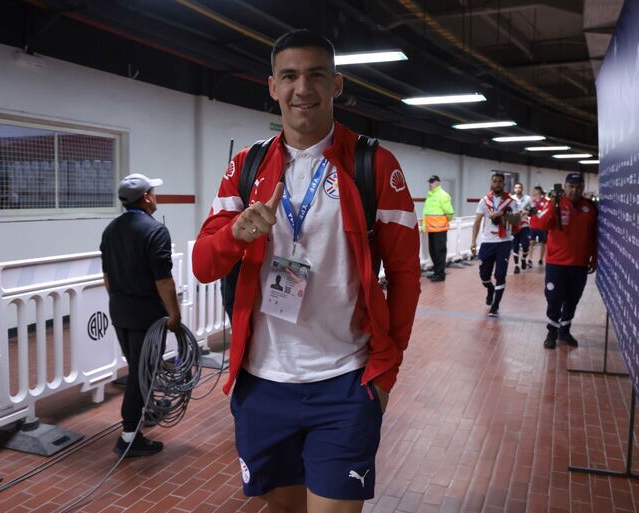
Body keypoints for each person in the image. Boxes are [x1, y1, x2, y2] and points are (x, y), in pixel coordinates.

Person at [192, 30, 421, 513]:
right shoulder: (246, 167)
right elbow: (203, 265)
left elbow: (404, 276)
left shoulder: (373, 165)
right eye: (290, 76)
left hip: (345, 380)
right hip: (262, 383)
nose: (303, 88)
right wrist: (237, 233)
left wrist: (385, 373)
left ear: (336, 84)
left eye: (316, 75)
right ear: (272, 86)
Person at [100, 173, 182, 457]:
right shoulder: (155, 231)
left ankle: (143, 414)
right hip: (146, 315)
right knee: (139, 373)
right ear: (146, 197)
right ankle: (128, 438)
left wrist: (120, 302)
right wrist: (175, 315)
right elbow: (163, 281)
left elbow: (107, 277)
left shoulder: (111, 230)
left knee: (138, 368)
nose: (155, 196)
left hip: (120, 312)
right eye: (153, 192)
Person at [530, 173, 597, 349]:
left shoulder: (590, 208)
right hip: (556, 263)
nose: (574, 190)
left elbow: (595, 236)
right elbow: (539, 224)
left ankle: (564, 331)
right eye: (571, 186)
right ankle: (551, 331)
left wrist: (594, 257)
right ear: (565, 187)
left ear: (583, 187)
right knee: (554, 298)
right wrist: (553, 205)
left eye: (578, 186)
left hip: (579, 264)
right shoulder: (554, 204)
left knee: (572, 299)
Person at [470, 173, 521, 317]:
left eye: (500, 182)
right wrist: (473, 241)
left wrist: (502, 215)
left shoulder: (511, 202)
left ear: (503, 184)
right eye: (495, 181)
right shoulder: (484, 201)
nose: (497, 184)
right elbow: (477, 222)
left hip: (504, 242)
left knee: (500, 275)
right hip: (487, 242)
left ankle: (495, 305)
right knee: (484, 275)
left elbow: (517, 221)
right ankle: (490, 289)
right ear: (491, 183)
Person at [422, 175, 454, 282]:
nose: (430, 184)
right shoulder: (430, 196)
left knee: (439, 252)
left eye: (432, 181)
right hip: (431, 229)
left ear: (438, 183)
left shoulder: (443, 195)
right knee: (433, 252)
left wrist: (443, 222)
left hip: (439, 229)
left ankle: (440, 275)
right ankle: (436, 272)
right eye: (429, 181)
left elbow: (449, 212)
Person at [509, 182, 534, 274]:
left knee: (525, 245)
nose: (518, 189)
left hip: (524, 226)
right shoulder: (511, 198)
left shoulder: (528, 198)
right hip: (514, 226)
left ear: (522, 189)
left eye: (519, 187)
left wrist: (527, 211)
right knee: (515, 246)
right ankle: (516, 266)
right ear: (514, 189)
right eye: (516, 188)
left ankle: (523, 259)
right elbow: (507, 210)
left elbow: (533, 210)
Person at [528, 186, 549, 267]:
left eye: (535, 191)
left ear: (539, 192)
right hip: (533, 225)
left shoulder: (546, 201)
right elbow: (529, 211)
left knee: (543, 243)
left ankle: (541, 259)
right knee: (531, 242)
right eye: (534, 191)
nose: (534, 192)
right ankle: (530, 259)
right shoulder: (532, 202)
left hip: (542, 226)